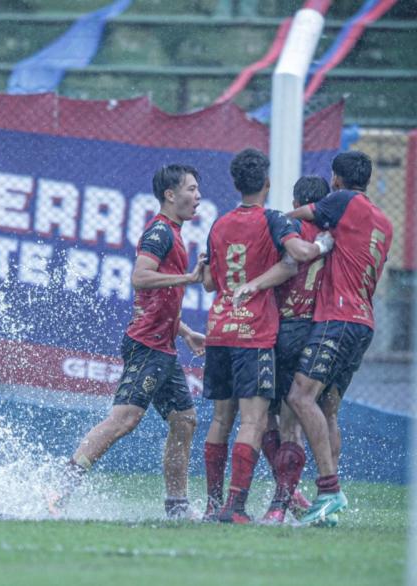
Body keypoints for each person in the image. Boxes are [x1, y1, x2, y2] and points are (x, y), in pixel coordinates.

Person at [51, 164, 206, 520]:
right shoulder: (160, 233)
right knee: (124, 419)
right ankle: (61, 486)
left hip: (164, 347)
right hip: (147, 346)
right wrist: (190, 278)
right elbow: (140, 278)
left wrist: (185, 332)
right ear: (170, 194)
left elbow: (157, 301)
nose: (198, 197)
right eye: (191, 190)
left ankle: (177, 506)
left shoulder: (175, 233)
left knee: (185, 421)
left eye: (198, 190)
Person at [201, 149, 333, 524]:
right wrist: (321, 245)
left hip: (219, 329)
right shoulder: (273, 219)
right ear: (267, 183)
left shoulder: (219, 223)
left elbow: (210, 281)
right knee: (255, 422)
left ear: (235, 183)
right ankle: (236, 508)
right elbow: (296, 257)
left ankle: (212, 505)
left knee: (220, 420)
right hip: (254, 333)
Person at [284, 151, 392, 525]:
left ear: (337, 180)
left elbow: (301, 216)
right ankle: (326, 499)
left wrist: (277, 221)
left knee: (299, 396)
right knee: (328, 408)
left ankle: (329, 489)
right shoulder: (383, 221)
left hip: (338, 318)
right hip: (363, 322)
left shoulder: (344, 201)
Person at [233, 175, 331, 523]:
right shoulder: (331, 234)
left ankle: (281, 500)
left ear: (296, 199)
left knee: (267, 419)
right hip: (313, 330)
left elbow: (284, 265)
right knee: (291, 421)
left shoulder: (286, 229)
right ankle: (287, 495)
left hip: (278, 330)